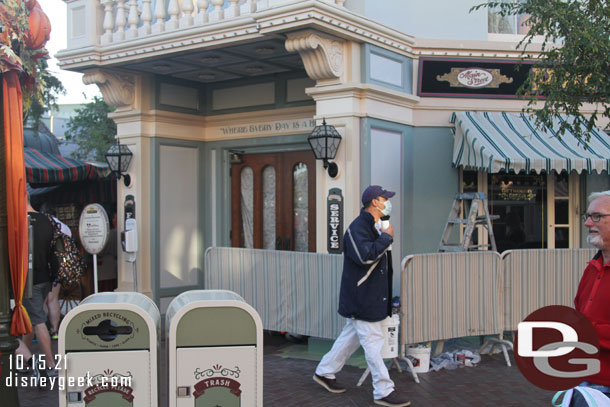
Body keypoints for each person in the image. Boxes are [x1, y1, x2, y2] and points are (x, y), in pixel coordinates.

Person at [313, 185, 410, 407]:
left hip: (365, 296)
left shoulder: (373, 226)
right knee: (373, 343)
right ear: (375, 202)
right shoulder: (358, 227)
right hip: (362, 298)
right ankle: (383, 390)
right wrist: (386, 238)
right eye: (385, 198)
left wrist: (384, 236)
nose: (388, 201)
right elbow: (365, 257)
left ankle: (324, 372)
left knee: (351, 336)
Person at [572, 191, 610, 405]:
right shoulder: (593, 268)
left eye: (596, 216)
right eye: (587, 216)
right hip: (584, 381)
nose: (587, 222)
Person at [19, 196, 58, 378]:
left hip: (29, 280)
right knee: (31, 317)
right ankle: (25, 360)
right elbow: (54, 250)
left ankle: (50, 365)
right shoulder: (47, 220)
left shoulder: (21, 221)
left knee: (38, 320)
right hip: (45, 278)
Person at [39, 202, 71, 340]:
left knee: (42, 300)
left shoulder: (44, 225)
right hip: (62, 265)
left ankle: (41, 329)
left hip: (46, 267)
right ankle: (55, 330)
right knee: (53, 299)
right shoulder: (64, 227)